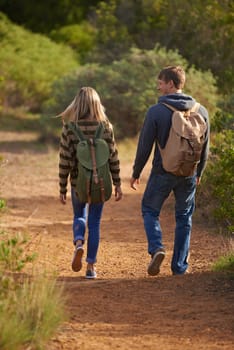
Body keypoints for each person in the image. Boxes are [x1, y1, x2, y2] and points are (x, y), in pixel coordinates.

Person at [130, 66, 209, 276]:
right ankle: (179, 267)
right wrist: (199, 171)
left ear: (171, 84)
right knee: (184, 217)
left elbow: (145, 145)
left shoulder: (156, 111)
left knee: (149, 210)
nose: (158, 87)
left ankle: (157, 248)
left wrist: (136, 172)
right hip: (189, 173)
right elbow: (206, 146)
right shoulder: (201, 111)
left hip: (163, 171)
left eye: (161, 83)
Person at [59, 87, 122, 279]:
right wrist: (118, 183)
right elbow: (113, 157)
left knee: (79, 215)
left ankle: (79, 242)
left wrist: (62, 187)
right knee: (94, 223)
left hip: (78, 183)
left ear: (76, 104)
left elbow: (65, 160)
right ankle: (91, 267)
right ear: (97, 103)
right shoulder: (106, 127)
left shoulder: (69, 128)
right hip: (100, 184)